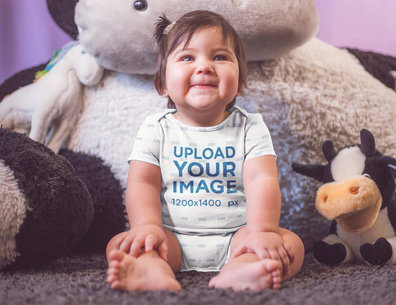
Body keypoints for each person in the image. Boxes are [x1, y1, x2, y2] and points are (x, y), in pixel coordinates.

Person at [106, 10, 304, 292]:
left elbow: (262, 180)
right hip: (170, 237)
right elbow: (142, 182)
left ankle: (243, 270)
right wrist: (147, 227)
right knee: (122, 243)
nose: (205, 66)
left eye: (220, 57)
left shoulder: (250, 128)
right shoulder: (156, 128)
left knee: (290, 244)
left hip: (239, 238)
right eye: (187, 57)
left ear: (239, 81)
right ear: (163, 84)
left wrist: (261, 232)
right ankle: (152, 270)